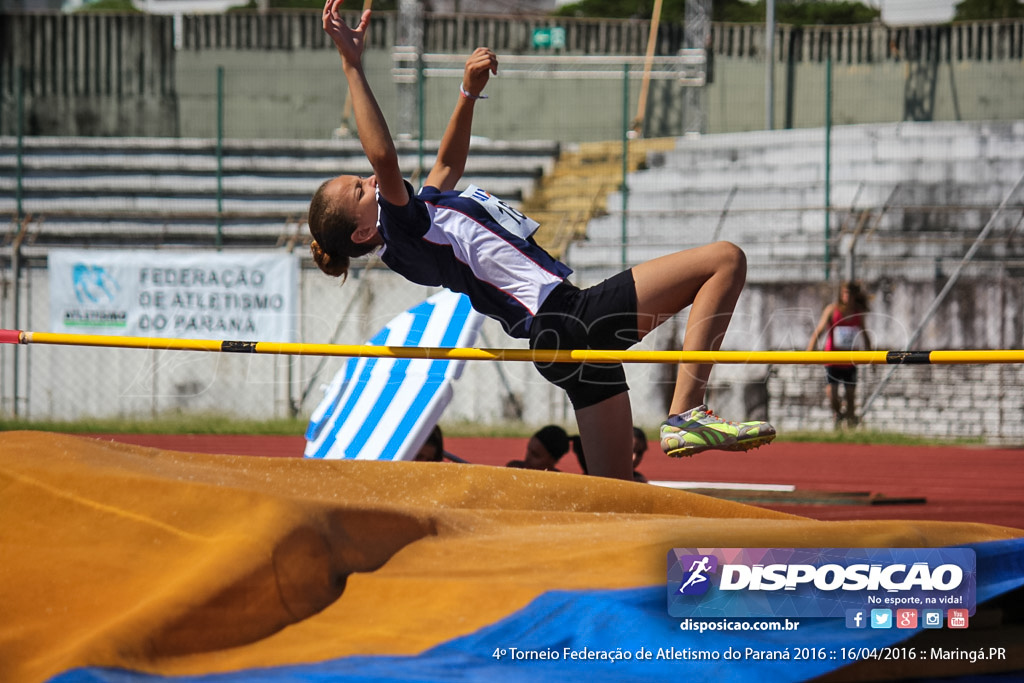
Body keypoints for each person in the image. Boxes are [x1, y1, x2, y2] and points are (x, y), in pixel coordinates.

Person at [307, 3, 776, 480]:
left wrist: (468, 93)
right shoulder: (401, 232)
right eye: (360, 189)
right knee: (725, 260)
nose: (369, 179)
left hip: (556, 339)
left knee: (615, 496)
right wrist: (352, 64)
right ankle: (685, 413)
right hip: (566, 318)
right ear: (362, 232)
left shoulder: (422, 221)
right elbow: (384, 156)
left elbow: (445, 168)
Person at [807, 281, 873, 428]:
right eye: (844, 293)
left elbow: (865, 334)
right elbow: (819, 331)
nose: (847, 297)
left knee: (850, 396)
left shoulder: (858, 313)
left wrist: (871, 356)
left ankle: (849, 427)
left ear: (855, 296)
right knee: (832, 394)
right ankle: (838, 414)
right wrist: (808, 353)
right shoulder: (832, 310)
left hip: (850, 361)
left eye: (849, 294)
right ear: (840, 294)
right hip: (832, 359)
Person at [506, 425, 570, 472]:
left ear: (553, 460)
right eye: (528, 451)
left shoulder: (559, 481)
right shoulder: (515, 469)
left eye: (536, 455)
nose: (528, 458)